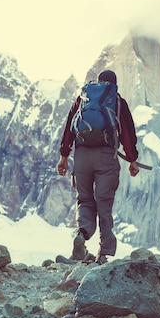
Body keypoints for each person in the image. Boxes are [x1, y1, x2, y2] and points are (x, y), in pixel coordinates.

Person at [56, 69, 140, 265]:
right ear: (114, 84)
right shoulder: (117, 102)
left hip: (82, 156)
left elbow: (69, 127)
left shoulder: (83, 99)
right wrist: (132, 160)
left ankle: (82, 235)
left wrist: (63, 157)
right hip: (105, 157)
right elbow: (127, 133)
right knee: (104, 204)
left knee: (84, 200)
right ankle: (103, 254)